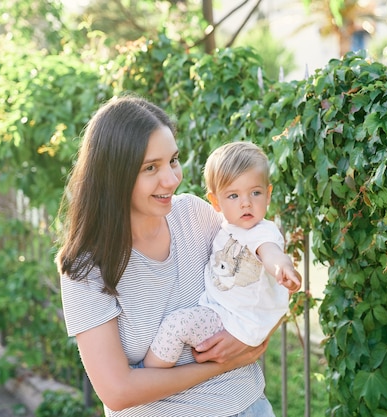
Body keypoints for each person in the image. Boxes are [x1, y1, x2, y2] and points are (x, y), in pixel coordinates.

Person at [57, 95, 277, 416]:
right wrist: (222, 362)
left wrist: (256, 337)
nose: (172, 179)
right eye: (151, 167)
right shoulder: (86, 269)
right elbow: (117, 391)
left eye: (173, 160)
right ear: (114, 177)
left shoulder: (195, 215)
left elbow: (267, 276)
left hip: (249, 407)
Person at [144, 141, 301, 368]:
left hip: (235, 320)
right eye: (233, 196)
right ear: (216, 202)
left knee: (176, 326)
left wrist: (281, 267)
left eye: (255, 193)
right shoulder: (227, 226)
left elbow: (270, 251)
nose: (246, 203)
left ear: (268, 195)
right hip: (224, 311)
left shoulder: (260, 231)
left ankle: (148, 374)